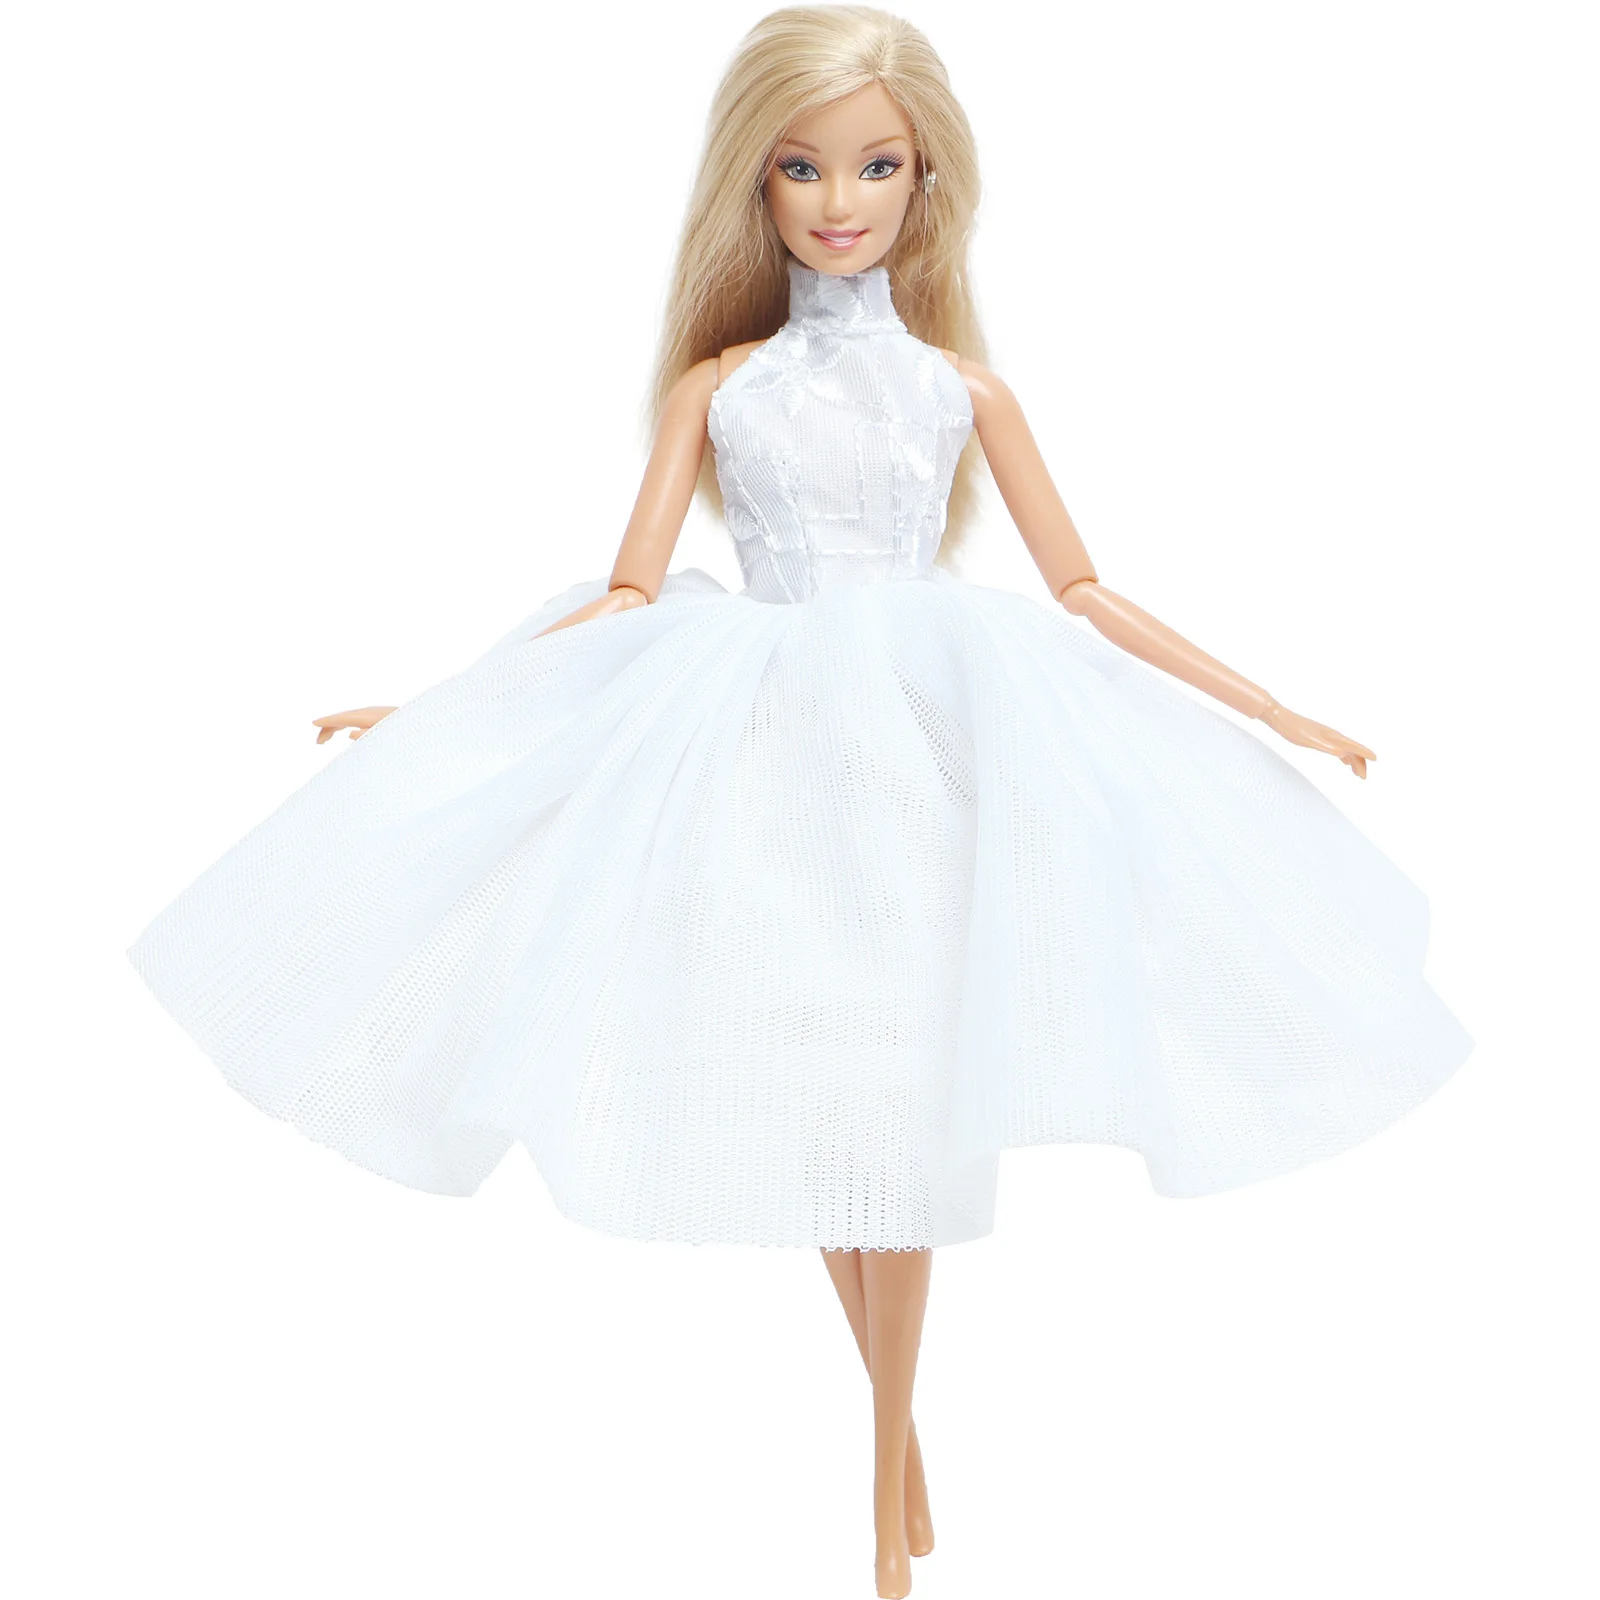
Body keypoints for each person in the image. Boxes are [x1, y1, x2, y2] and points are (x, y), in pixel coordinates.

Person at [127, 9, 1474, 1595]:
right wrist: (446, 704)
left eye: (876, 166)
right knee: (835, 1111)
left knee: (901, 1105)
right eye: (802, 167)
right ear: (754, 184)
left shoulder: (966, 392)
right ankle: (900, 1459)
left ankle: (885, 1486)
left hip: (932, 739)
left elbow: (1085, 587)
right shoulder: (719, 387)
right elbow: (629, 590)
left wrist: (1267, 705)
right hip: (758, 746)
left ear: (928, 179)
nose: (842, 200)